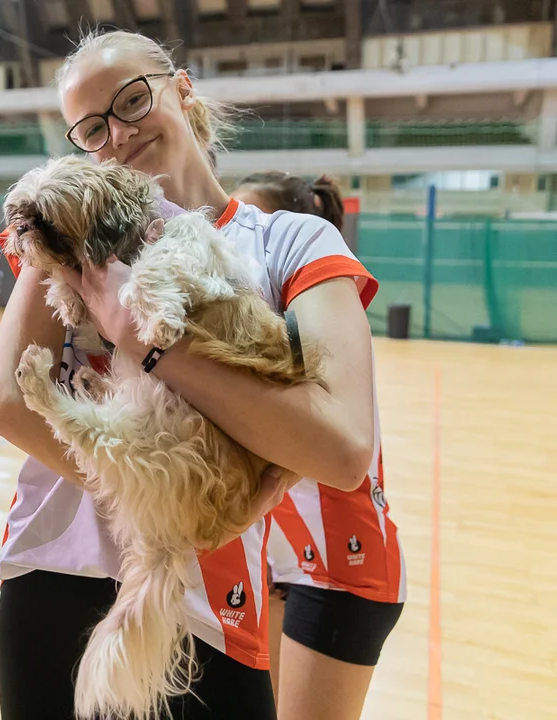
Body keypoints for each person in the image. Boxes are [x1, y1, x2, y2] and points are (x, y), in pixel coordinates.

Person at [0, 29, 386, 720]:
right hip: (53, 571)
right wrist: (169, 508)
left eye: (132, 100)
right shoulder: (70, 215)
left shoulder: (290, 242)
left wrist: (146, 344)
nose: (118, 133)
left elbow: (344, 449)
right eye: (92, 128)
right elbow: (7, 404)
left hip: (209, 598)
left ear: (183, 88)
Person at [232, 170, 404, 719]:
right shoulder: (260, 318)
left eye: (254, 222)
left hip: (343, 568)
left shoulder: (314, 324)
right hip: (280, 559)